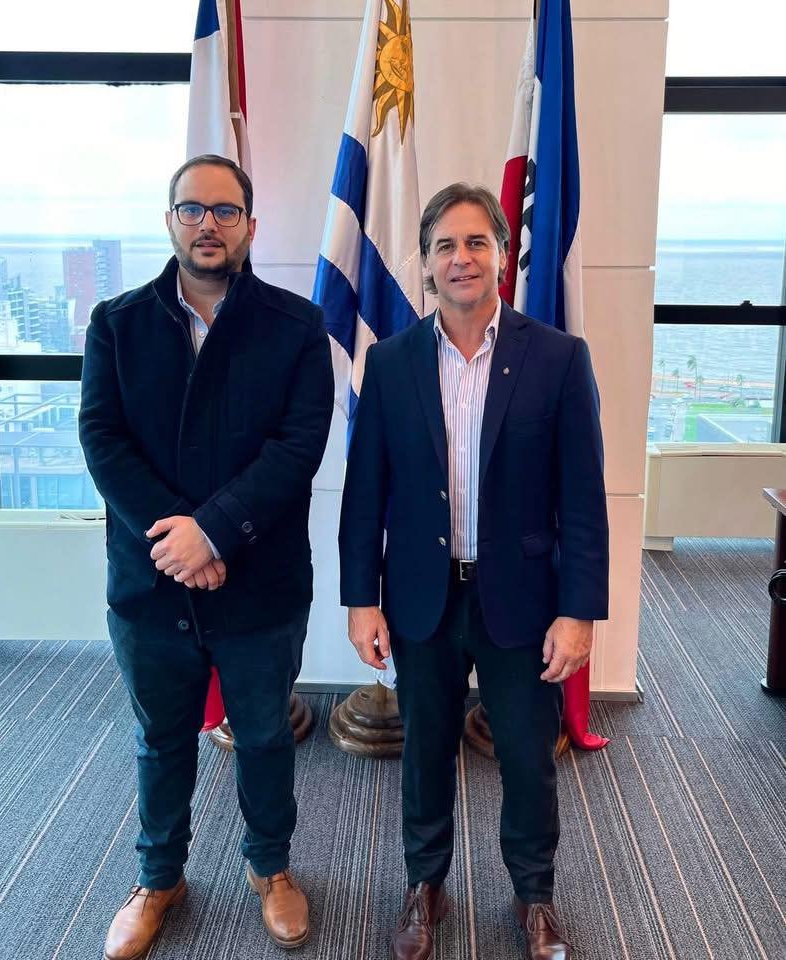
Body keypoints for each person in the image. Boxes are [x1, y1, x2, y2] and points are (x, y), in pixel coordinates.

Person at [338, 183, 608, 960]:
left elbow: (582, 499)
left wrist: (578, 610)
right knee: (425, 750)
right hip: (422, 599)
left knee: (526, 756)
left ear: (502, 254)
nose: (462, 258)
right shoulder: (390, 364)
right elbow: (365, 494)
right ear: (426, 264)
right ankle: (425, 885)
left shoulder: (557, 358)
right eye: (445, 246)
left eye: (476, 242)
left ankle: (535, 895)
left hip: (522, 601)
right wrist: (361, 600)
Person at [79, 154, 333, 960]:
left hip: (260, 581)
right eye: (192, 209)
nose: (207, 225)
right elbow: (102, 439)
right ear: (170, 222)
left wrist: (215, 533)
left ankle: (271, 869)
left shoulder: (296, 326)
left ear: (251, 226)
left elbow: (298, 447)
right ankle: (159, 878)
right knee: (161, 738)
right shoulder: (116, 323)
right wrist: (178, 540)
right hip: (151, 581)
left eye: (225, 211)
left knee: (263, 735)